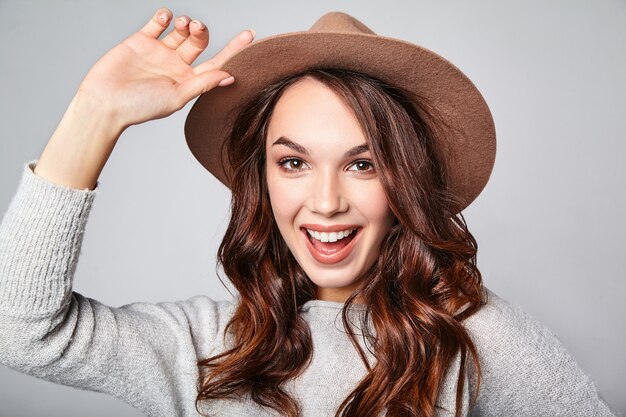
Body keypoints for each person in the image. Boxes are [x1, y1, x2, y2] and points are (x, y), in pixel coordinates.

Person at [0, 7, 618, 417]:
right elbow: (21, 332)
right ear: (261, 179)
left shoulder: (478, 337)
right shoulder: (206, 348)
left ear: (405, 182)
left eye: (363, 163)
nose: (325, 203)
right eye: (294, 163)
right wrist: (95, 114)